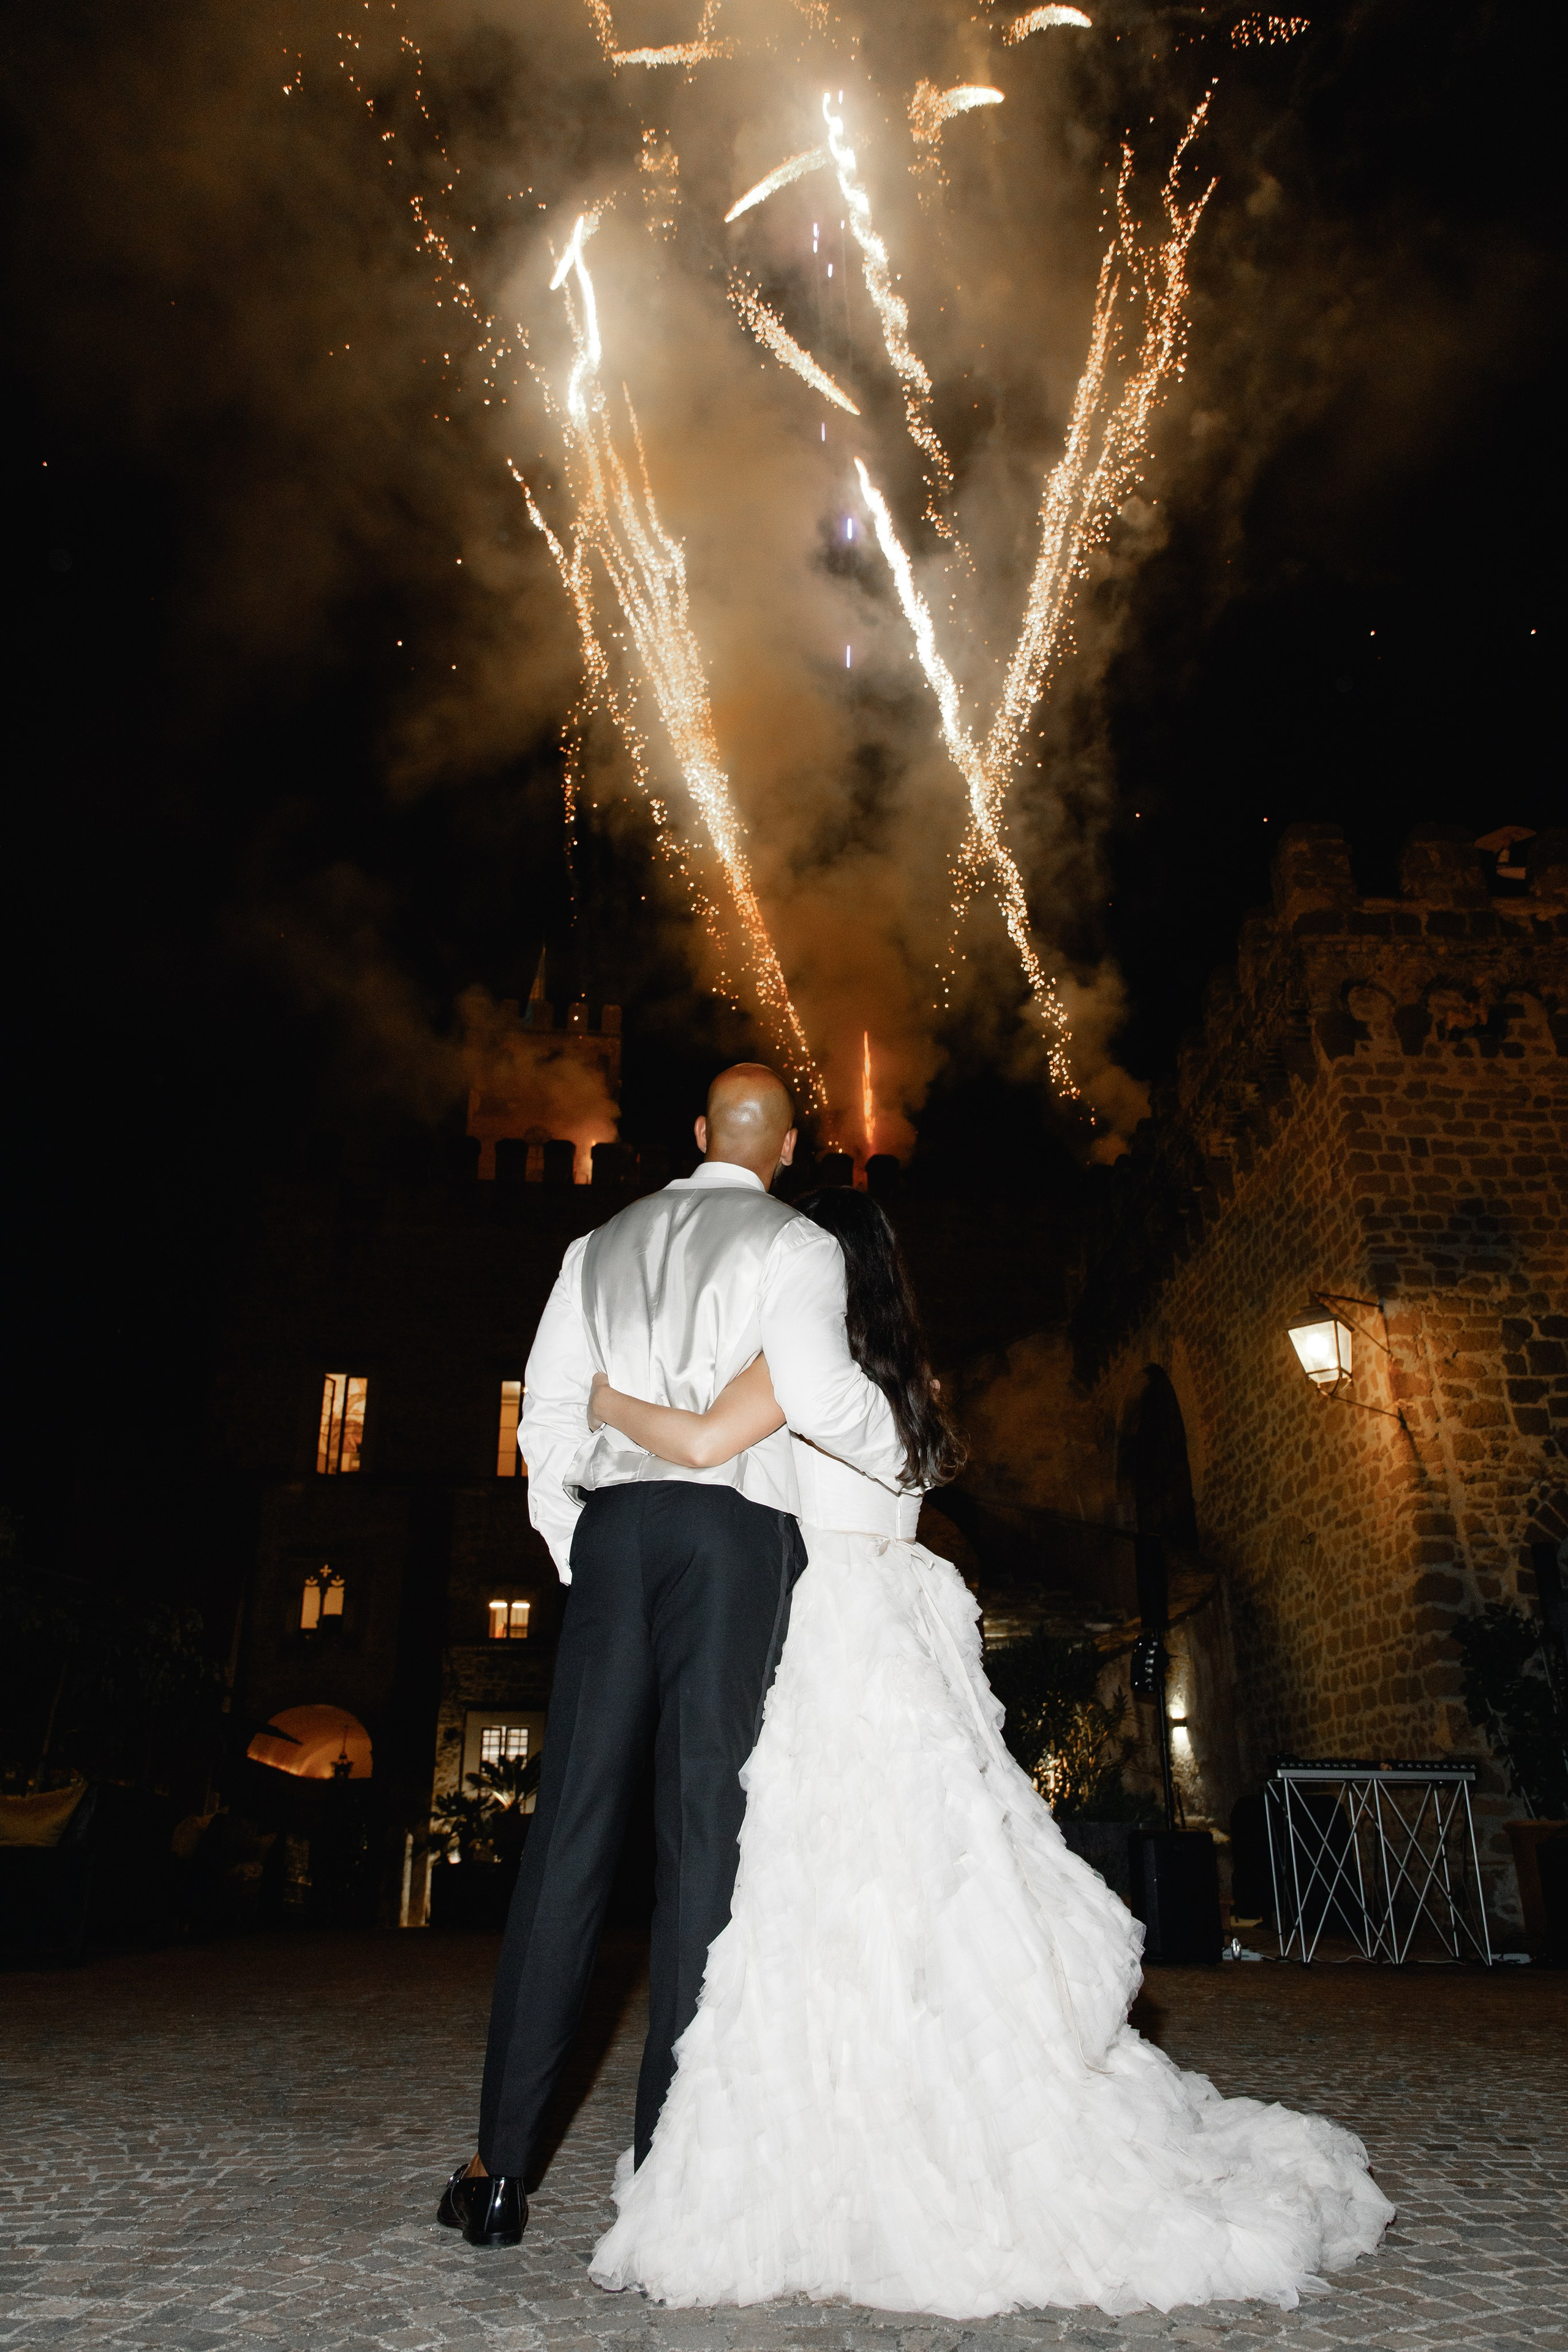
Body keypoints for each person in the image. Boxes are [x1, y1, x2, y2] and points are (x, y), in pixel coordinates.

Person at [585, 1186, 1395, 2320]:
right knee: (927, 1880)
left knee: (834, 1883)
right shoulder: (899, 1385)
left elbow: (708, 1439)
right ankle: (930, 2090)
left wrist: (608, 1398)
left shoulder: (798, 1369)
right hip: (904, 1637)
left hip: (836, 1644)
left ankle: (867, 2120)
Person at [438, 1066, 905, 2249]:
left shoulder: (594, 1242)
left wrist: (574, 1547)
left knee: (570, 1834)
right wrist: (897, 1445)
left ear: (694, 1133)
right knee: (705, 1828)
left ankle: (498, 2170)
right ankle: (669, 2168)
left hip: (617, 1529)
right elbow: (810, 1391)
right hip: (734, 1535)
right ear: (787, 1146)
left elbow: (548, 1419)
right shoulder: (798, 1242)